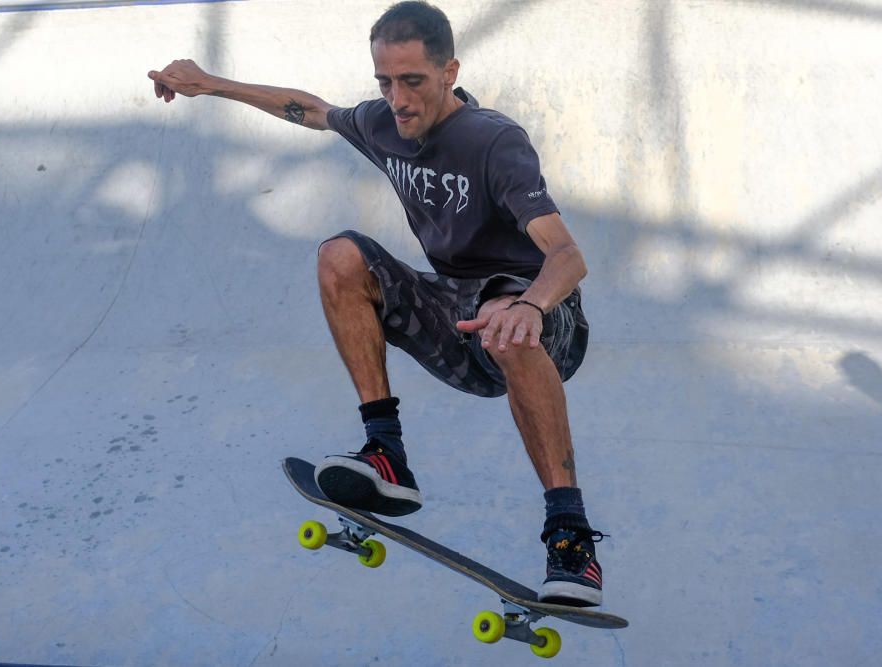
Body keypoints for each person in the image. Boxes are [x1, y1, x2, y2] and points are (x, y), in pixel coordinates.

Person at [148, 0, 605, 607]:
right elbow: (311, 109)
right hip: (456, 319)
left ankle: (570, 537)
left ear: (449, 72)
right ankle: (385, 452)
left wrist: (531, 307)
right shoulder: (383, 123)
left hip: (543, 323)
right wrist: (209, 83)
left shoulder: (494, 141)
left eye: (413, 81)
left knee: (501, 308)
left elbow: (568, 255)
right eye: (385, 83)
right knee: (340, 256)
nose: (400, 99)